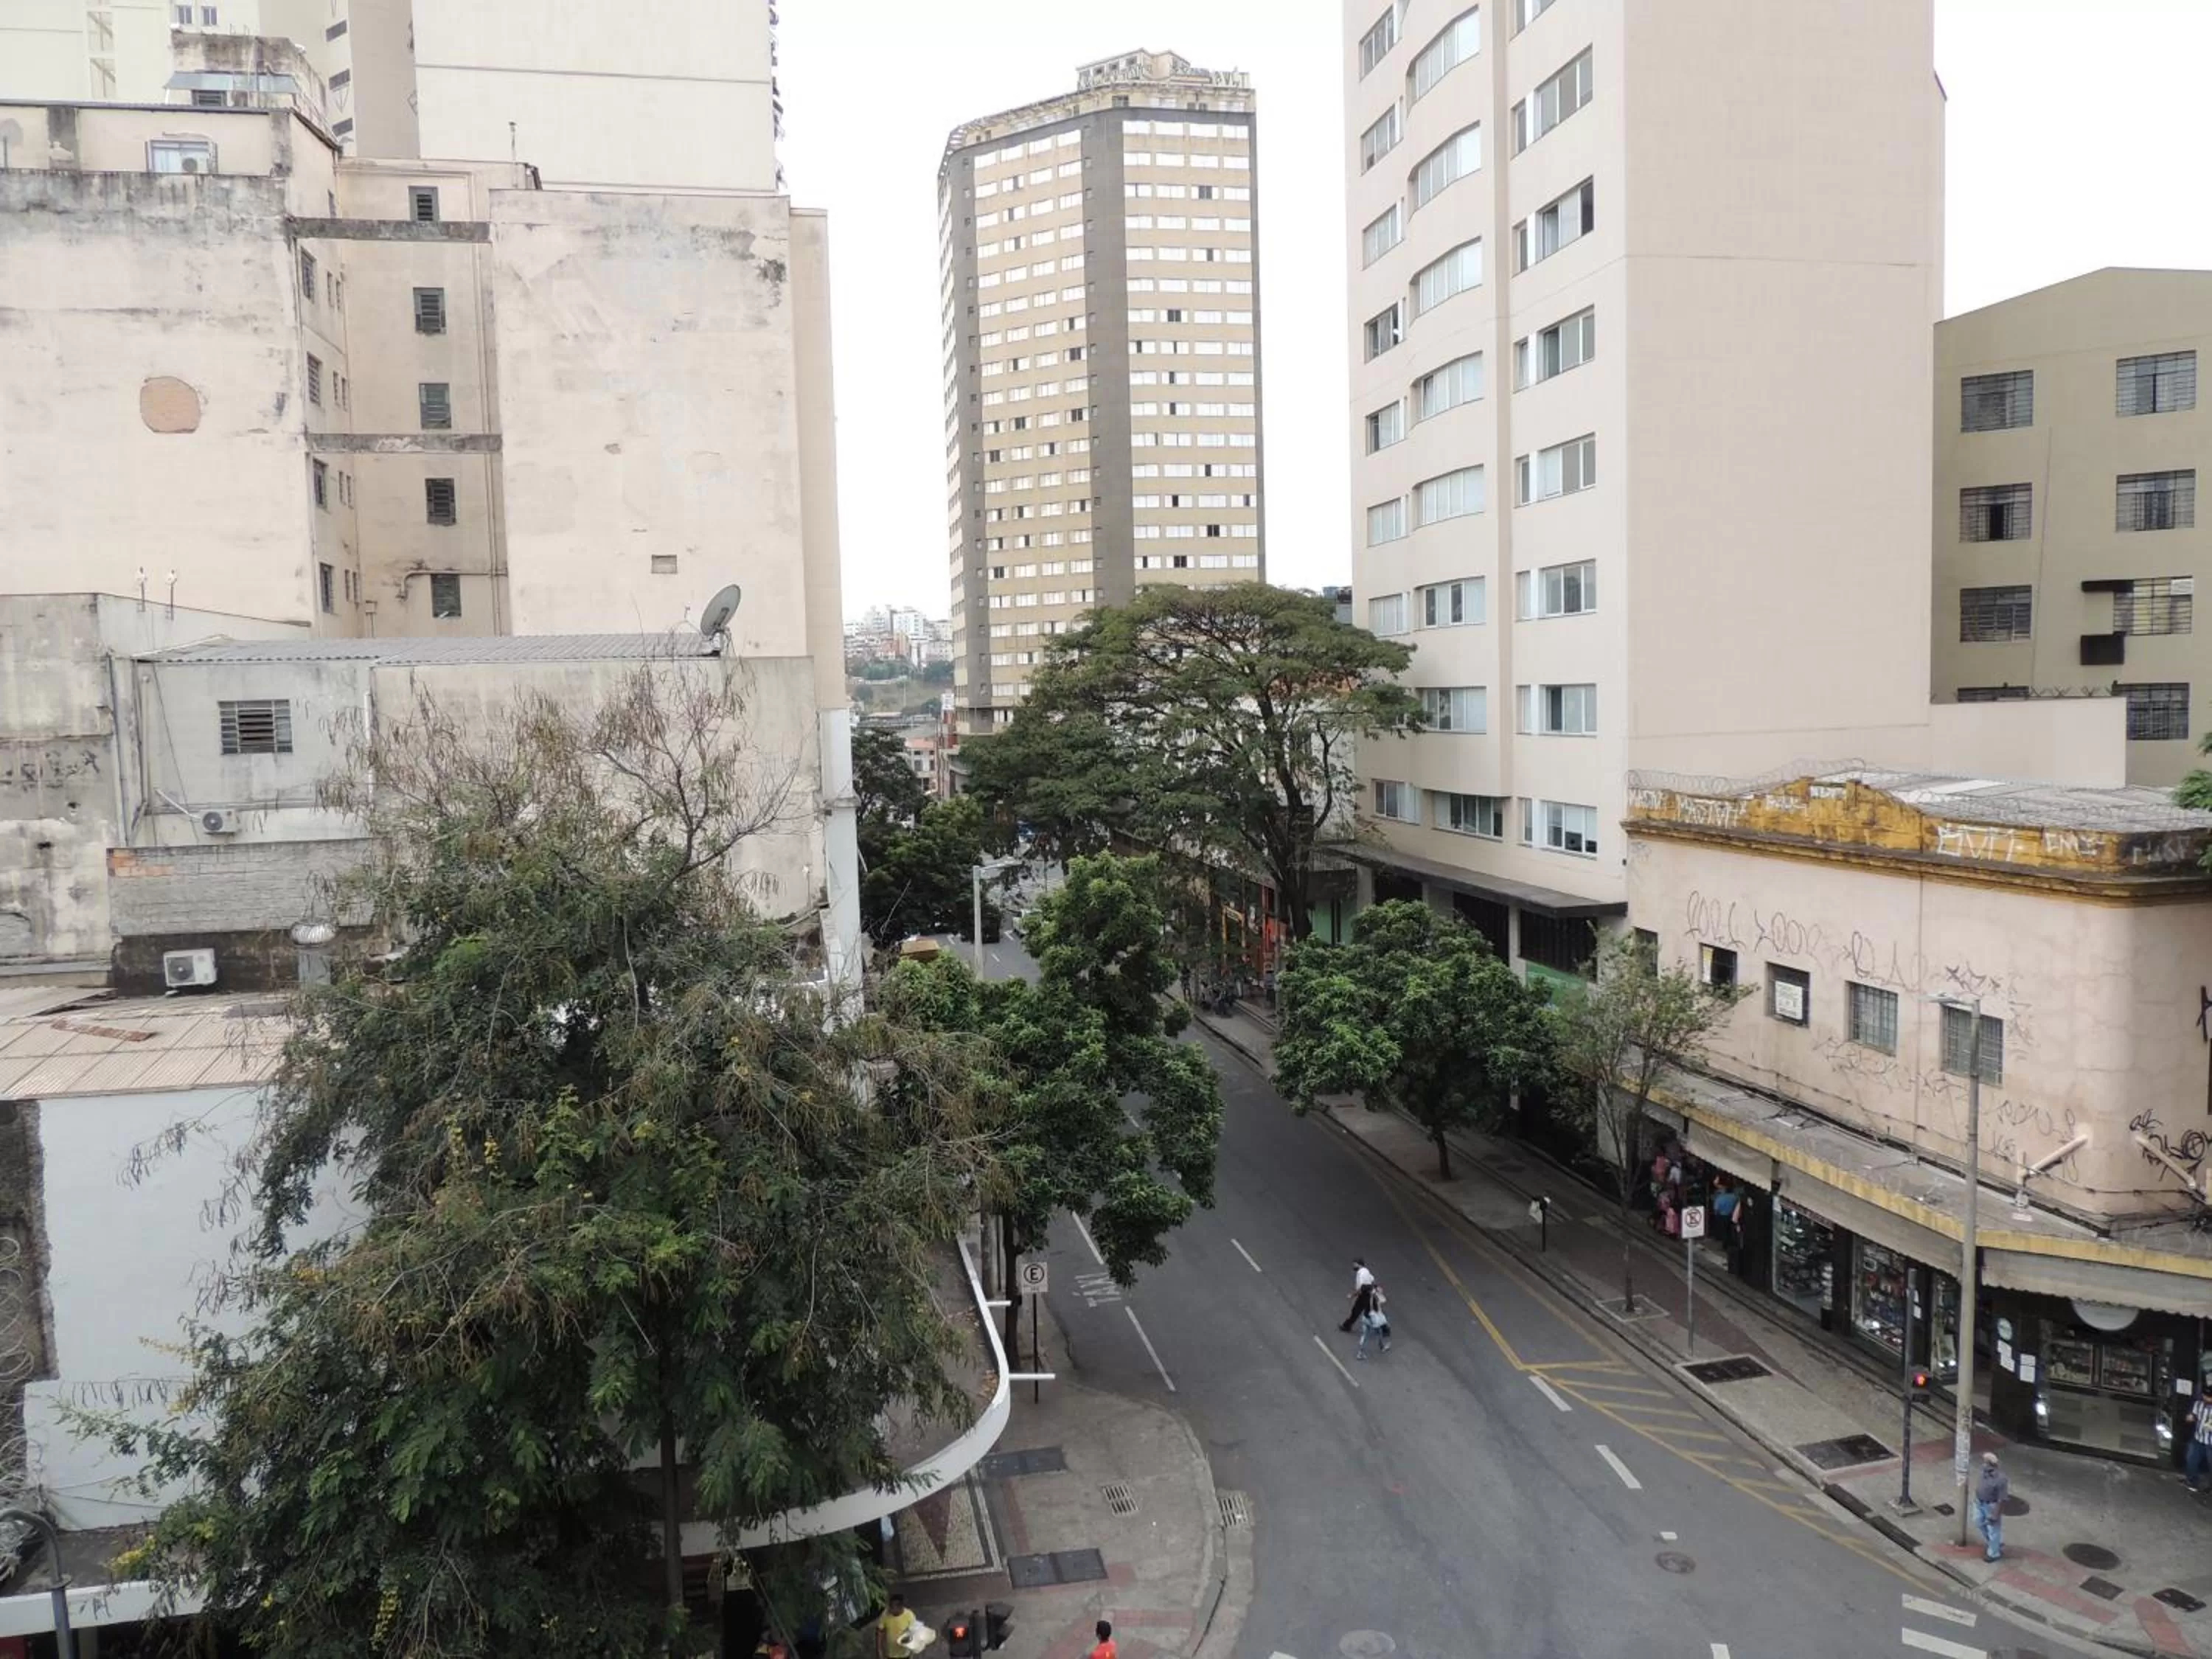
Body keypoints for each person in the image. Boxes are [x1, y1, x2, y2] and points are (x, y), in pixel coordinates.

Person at [1973, 1451, 2010, 1562]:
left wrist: (1995, 1514)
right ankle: (1996, 1543)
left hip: (1991, 1506)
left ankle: (1994, 1553)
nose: (1983, 1464)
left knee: (1993, 1529)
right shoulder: (1983, 1473)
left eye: (1986, 1462)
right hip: (1979, 1502)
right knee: (1977, 1522)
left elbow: (2002, 1499)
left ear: (1992, 1465)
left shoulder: (2001, 1479)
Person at [1339, 1259, 1377, 1332]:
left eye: (1355, 1264)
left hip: (1364, 1296)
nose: (1353, 1266)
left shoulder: (1360, 1274)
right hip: (1370, 1294)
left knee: (1356, 1311)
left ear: (1359, 1264)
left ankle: (1347, 1326)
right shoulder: (1366, 1270)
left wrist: (1352, 1295)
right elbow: (1372, 1279)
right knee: (1373, 1312)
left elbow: (1361, 1288)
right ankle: (1384, 1329)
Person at [877, 1593, 917, 1659]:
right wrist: (879, 1650)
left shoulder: (910, 1615)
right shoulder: (885, 1614)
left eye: (892, 1607)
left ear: (900, 1607)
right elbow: (880, 1632)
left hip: (905, 1653)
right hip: (891, 1654)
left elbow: (915, 1633)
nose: (889, 1608)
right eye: (889, 1605)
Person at [2185, 1394, 2212, 1492]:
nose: (2207, 1398)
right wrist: (2191, 1418)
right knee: (2191, 1459)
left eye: (2209, 1397)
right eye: (2205, 1396)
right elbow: (2194, 1416)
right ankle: (2192, 1481)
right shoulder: (2198, 1404)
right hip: (2198, 1438)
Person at [1356, 1286, 1391, 1359]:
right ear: (1369, 1291)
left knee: (1365, 1336)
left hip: (1365, 1318)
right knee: (1379, 1332)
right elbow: (1381, 1303)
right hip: (1372, 1320)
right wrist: (1378, 1295)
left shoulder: (1363, 1297)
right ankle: (1382, 1347)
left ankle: (1360, 1353)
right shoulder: (1372, 1299)